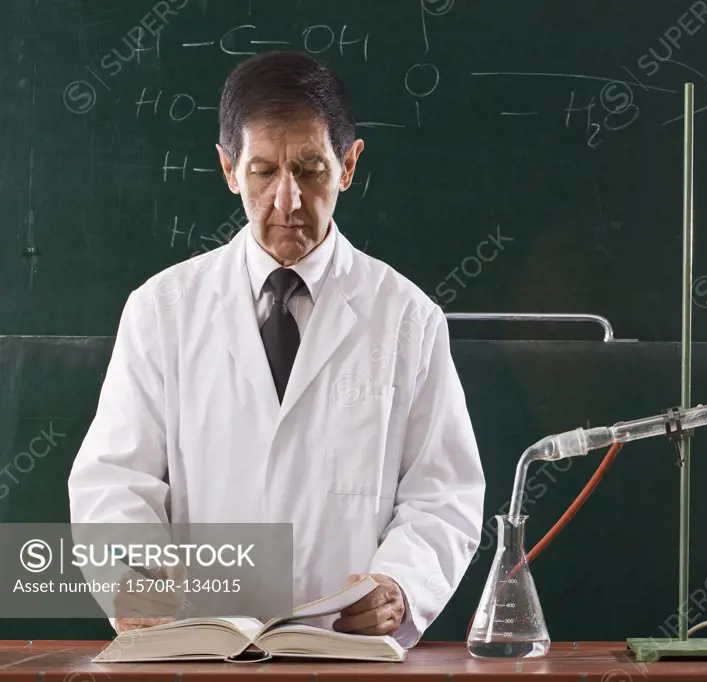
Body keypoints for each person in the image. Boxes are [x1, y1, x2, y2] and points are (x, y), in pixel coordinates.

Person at [67, 51, 486, 648]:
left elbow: (443, 492)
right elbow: (114, 480)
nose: (287, 201)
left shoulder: (407, 317)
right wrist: (134, 581)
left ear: (348, 163)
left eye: (311, 169)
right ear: (228, 169)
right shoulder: (161, 310)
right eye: (263, 171)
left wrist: (401, 583)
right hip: (200, 646)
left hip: (345, 650)